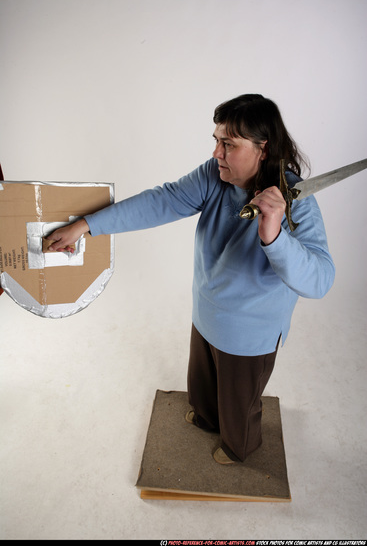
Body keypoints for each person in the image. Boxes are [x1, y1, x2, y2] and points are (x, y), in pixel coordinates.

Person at [47, 94, 335, 464]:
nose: (217, 152)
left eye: (228, 144)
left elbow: (320, 281)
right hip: (207, 313)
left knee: (238, 404)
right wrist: (89, 226)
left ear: (262, 149)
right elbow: (162, 201)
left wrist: (274, 235)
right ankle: (206, 417)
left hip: (250, 334)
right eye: (216, 140)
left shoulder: (297, 203)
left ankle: (239, 446)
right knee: (203, 387)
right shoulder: (215, 177)